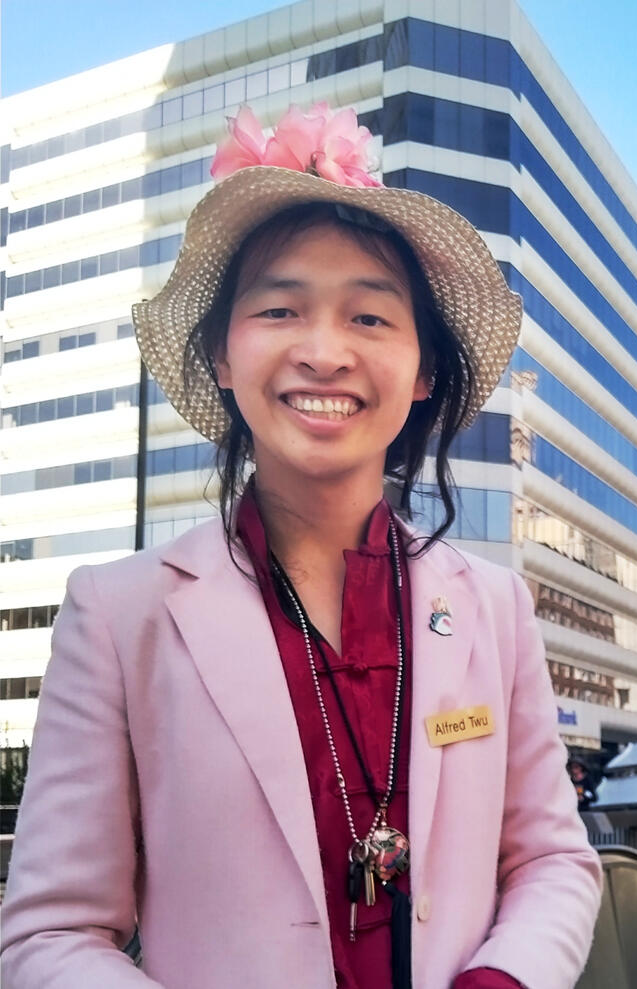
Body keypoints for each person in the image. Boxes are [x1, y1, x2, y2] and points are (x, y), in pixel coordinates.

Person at [0, 103, 602, 989]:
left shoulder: (496, 606)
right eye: (280, 308)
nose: (323, 352)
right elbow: (51, 935)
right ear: (220, 353)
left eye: (370, 319)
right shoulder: (119, 611)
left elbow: (554, 860)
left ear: (424, 369)